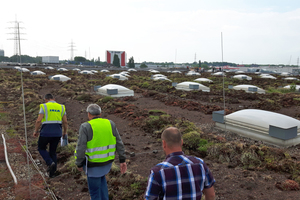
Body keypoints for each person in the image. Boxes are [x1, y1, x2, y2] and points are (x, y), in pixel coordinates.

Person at [145, 127, 215, 200]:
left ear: (164, 143)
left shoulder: (157, 172)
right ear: (181, 142)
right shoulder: (200, 164)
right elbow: (211, 195)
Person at [75, 104, 127, 200]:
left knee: (95, 194)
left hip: (93, 166)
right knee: (102, 185)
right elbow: (119, 142)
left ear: (89, 114)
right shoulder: (110, 123)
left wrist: (78, 163)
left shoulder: (86, 126)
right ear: (100, 113)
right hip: (107, 163)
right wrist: (122, 159)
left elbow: (80, 147)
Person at [33, 93, 68, 178]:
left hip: (45, 132)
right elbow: (65, 122)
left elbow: (38, 120)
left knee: (41, 148)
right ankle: (52, 174)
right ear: (54, 98)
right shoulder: (61, 107)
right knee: (53, 152)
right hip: (57, 133)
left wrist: (36, 131)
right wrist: (65, 132)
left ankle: (49, 162)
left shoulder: (44, 106)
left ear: (46, 100)